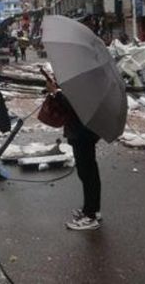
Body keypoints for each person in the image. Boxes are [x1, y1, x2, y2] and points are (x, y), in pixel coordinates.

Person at [44, 74, 102, 231]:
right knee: (87, 172)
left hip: (83, 133)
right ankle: (91, 210)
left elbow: (75, 105)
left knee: (87, 173)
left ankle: (90, 216)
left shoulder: (87, 84)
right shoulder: (88, 81)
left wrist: (56, 92)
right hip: (83, 132)